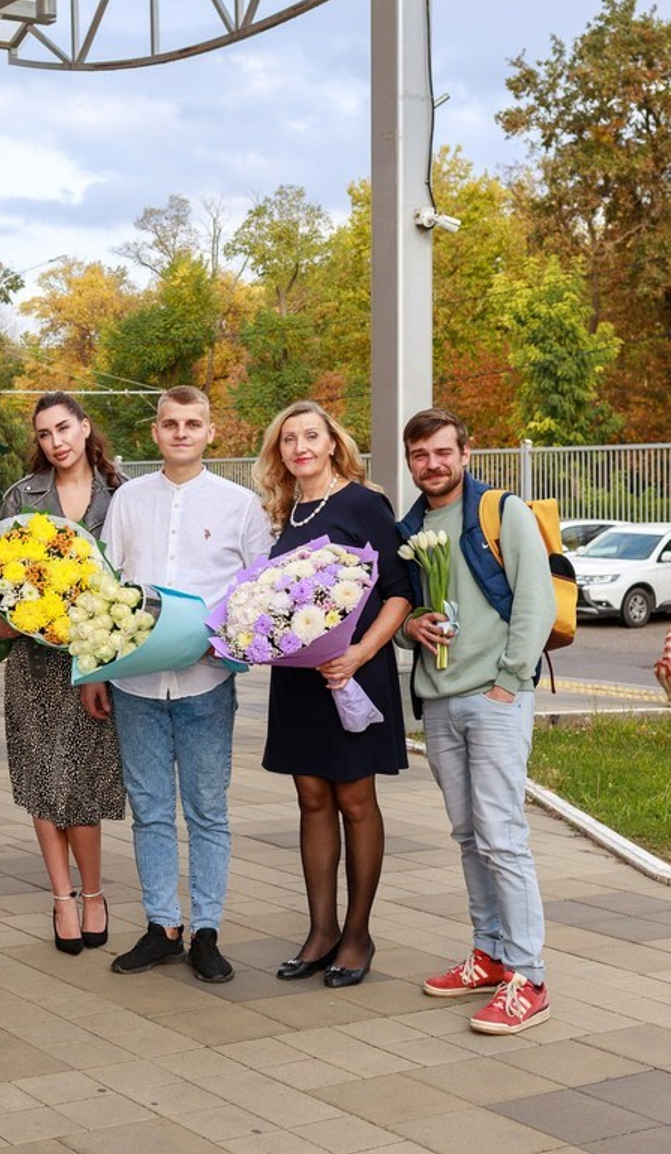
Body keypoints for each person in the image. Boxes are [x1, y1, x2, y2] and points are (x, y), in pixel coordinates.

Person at [83, 386, 271, 982]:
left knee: (208, 810)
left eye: (193, 423)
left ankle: (207, 930)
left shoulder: (240, 506)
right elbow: (104, 589)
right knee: (150, 809)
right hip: (137, 684)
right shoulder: (128, 500)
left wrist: (235, 640)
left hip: (207, 682)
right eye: (170, 423)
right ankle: (162, 926)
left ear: (211, 432)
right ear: (156, 431)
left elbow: (259, 593)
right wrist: (92, 671)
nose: (181, 433)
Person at [398, 407, 556, 1035]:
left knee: (502, 837)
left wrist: (508, 684)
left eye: (442, 451)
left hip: (494, 701)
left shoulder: (502, 512)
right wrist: (411, 629)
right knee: (469, 836)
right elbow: (408, 613)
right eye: (420, 455)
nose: (432, 464)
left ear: (466, 452)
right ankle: (488, 954)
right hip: (440, 702)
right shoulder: (410, 526)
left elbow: (536, 603)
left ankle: (530, 977)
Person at [254, 401, 412, 988]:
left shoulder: (364, 504)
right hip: (300, 680)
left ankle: (357, 934)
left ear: (331, 443)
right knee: (312, 799)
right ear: (280, 452)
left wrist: (360, 654)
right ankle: (320, 932)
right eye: (289, 438)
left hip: (354, 673)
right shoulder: (287, 512)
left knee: (354, 801)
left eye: (310, 436)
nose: (300, 447)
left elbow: (398, 593)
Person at [0, 393, 127, 954]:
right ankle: (62, 897)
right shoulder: (23, 497)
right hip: (32, 665)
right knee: (43, 785)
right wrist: (3, 622)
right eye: (45, 434)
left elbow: (131, 586)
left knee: (84, 787)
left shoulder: (120, 499)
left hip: (96, 665)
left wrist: (100, 661)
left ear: (85, 427)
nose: (56, 442)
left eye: (64, 428)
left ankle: (94, 894)